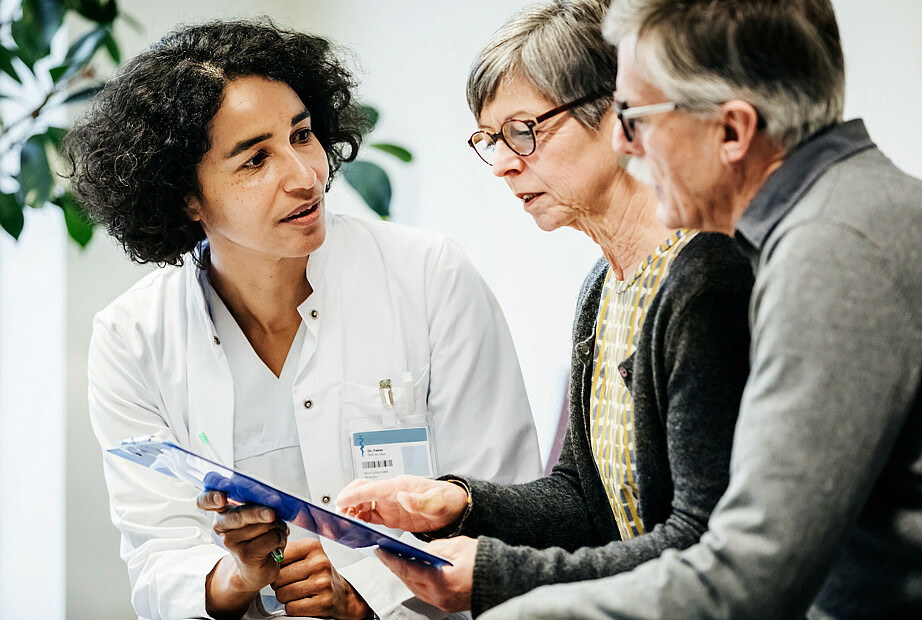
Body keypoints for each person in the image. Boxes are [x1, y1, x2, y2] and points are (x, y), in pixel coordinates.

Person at [66, 19, 542, 620]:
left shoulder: (428, 277)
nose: (304, 175)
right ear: (185, 195)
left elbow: (507, 503)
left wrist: (364, 594)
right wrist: (237, 576)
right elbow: (156, 556)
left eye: (302, 135)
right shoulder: (132, 338)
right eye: (255, 159)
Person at [470, 0, 922, 618]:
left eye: (637, 116)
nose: (624, 142)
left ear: (732, 131)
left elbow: (750, 572)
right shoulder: (844, 216)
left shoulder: (831, 253)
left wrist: (515, 608)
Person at [335, 1, 753, 616]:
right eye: (490, 140)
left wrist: (500, 573)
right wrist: (458, 502)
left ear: (617, 112)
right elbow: (585, 500)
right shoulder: (600, 288)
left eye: (523, 130)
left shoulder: (704, 276)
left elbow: (705, 540)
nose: (503, 164)